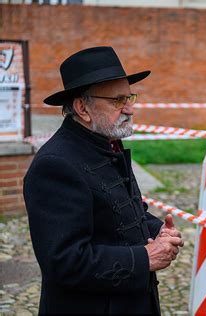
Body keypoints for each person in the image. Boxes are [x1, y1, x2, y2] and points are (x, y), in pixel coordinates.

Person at [23, 46, 184, 314]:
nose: (130, 109)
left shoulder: (107, 142)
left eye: (130, 97)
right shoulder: (55, 165)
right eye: (118, 100)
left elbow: (122, 210)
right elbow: (65, 262)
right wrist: (145, 258)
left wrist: (157, 231)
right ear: (82, 108)